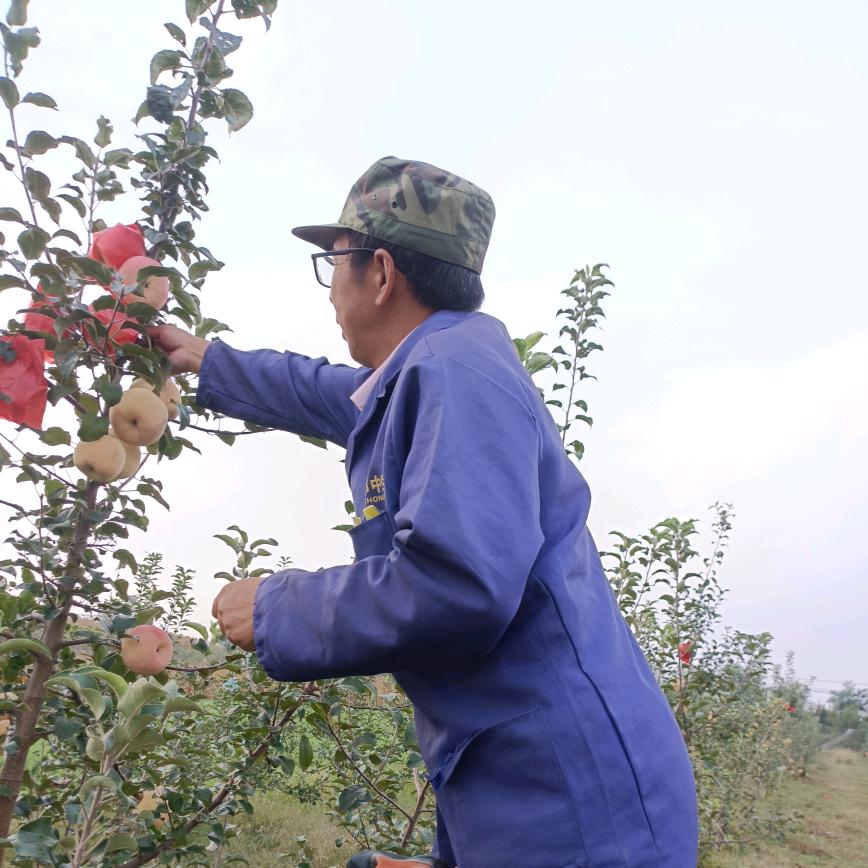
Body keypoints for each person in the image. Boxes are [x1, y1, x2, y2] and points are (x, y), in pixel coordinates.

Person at [151, 156, 699, 868]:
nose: (329, 291)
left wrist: (280, 607)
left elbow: (459, 586)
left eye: (333, 264)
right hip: (528, 789)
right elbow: (329, 393)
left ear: (379, 273)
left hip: (576, 812)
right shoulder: (426, 372)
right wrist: (206, 361)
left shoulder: (455, 374)